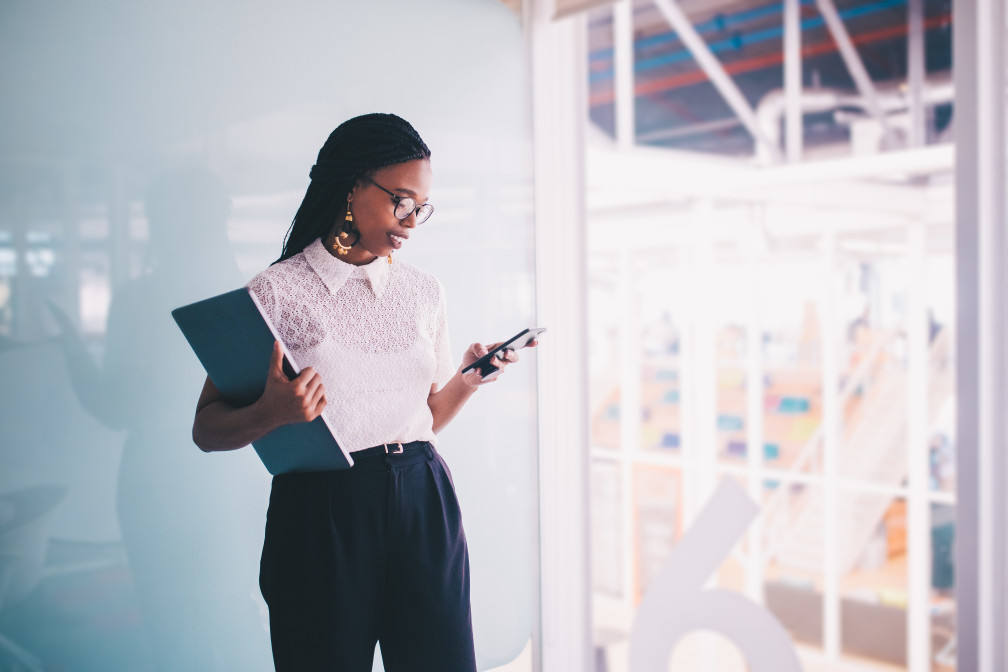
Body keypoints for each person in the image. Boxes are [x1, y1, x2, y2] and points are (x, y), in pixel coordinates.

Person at [191, 113, 525, 672]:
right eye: (401, 200)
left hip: (424, 499)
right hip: (322, 514)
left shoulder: (423, 291)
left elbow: (424, 419)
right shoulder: (277, 291)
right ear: (351, 186)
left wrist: (467, 380)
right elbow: (206, 429)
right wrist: (271, 412)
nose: (413, 220)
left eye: (422, 207)